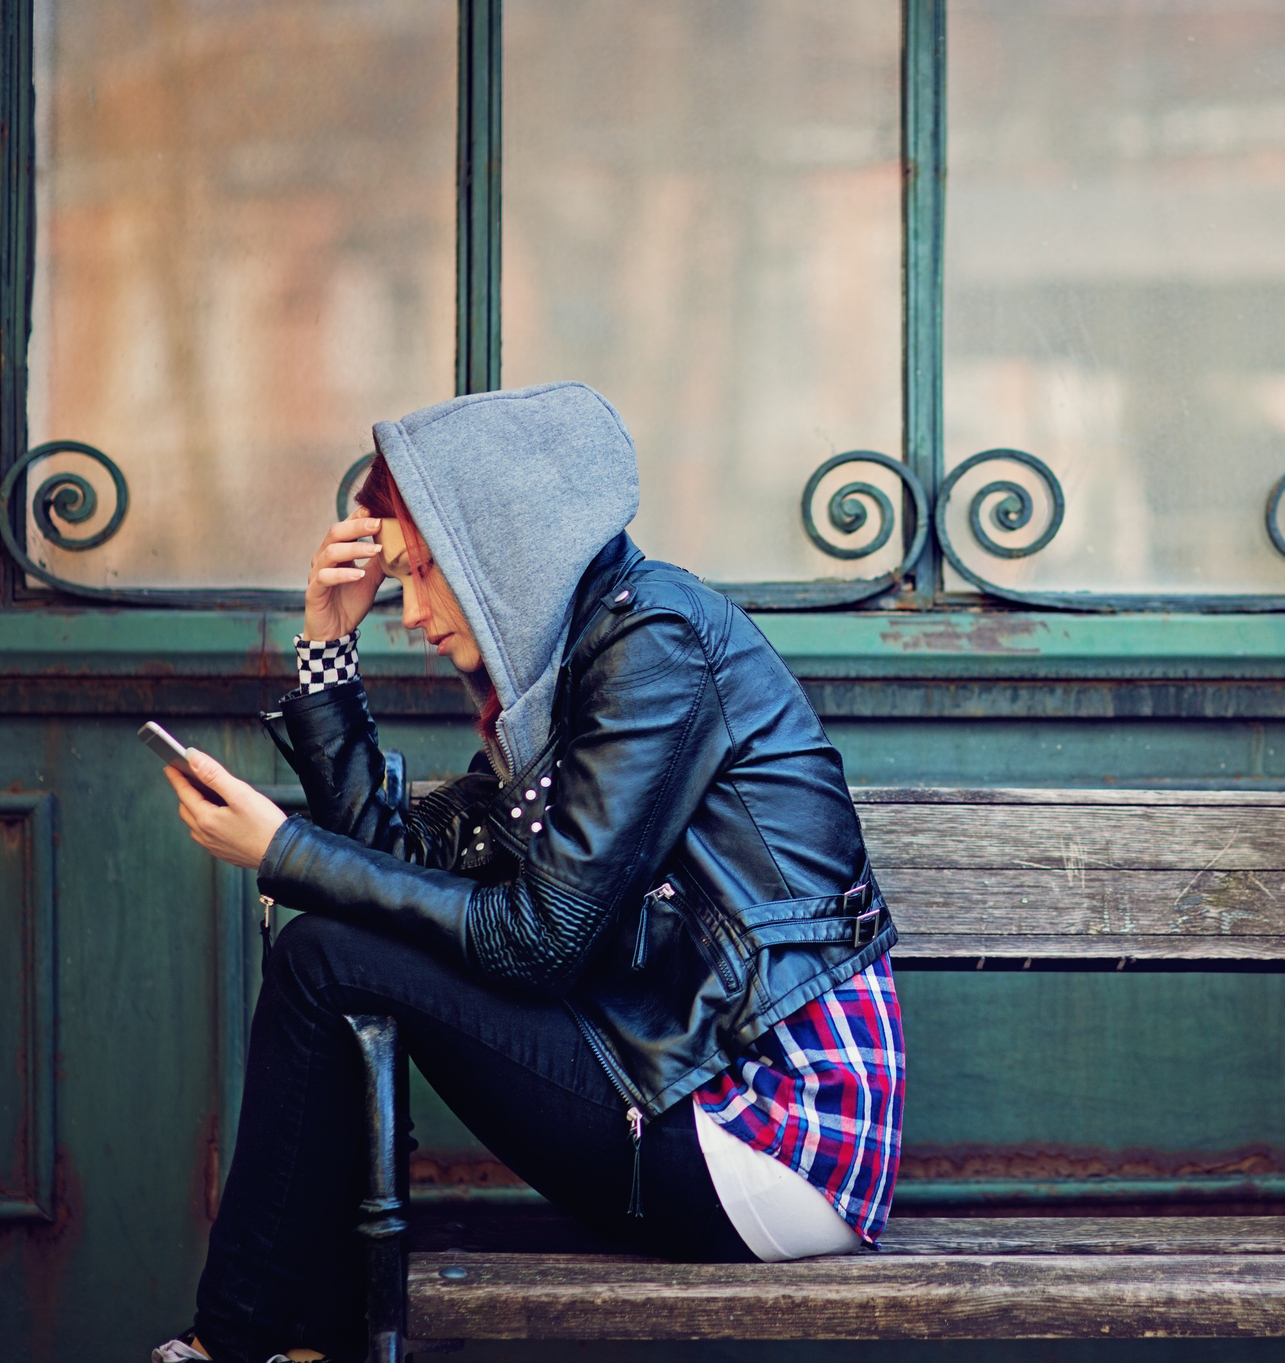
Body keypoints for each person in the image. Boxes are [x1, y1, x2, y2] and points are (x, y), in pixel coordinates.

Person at [151, 382, 902, 1363]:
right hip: (692, 1088)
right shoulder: (568, 677)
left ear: (499, 552)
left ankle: (239, 1343)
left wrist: (288, 852)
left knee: (323, 955)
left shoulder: (654, 648)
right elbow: (398, 859)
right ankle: (294, 1343)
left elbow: (538, 939)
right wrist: (327, 647)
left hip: (777, 1131)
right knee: (332, 952)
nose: (410, 612)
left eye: (423, 573)